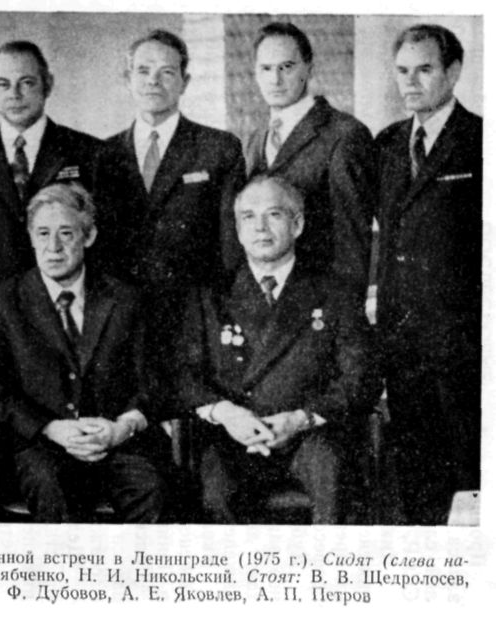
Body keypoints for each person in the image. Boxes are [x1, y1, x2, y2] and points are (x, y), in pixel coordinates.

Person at [176, 176, 378, 524]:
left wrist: (300, 419)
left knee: (333, 482)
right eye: (249, 217)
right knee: (213, 495)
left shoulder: (334, 292)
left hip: (309, 435)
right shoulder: (211, 294)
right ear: (238, 230)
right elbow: (184, 375)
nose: (261, 228)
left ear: (297, 224)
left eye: (274, 215)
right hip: (235, 438)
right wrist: (226, 413)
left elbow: (361, 378)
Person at [0, 183, 167, 523]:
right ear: (30, 237)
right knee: (50, 486)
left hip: (117, 442)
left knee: (152, 488)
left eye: (66, 233)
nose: (53, 247)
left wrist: (122, 427)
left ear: (89, 236)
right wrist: (50, 428)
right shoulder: (2, 304)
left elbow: (151, 382)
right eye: (43, 233)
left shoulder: (126, 300)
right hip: (44, 447)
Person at [375, 24, 481, 525]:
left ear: (453, 72)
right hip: (402, 343)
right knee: (417, 483)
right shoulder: (387, 144)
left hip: (464, 344)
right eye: (402, 71)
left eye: (424, 70)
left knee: (469, 480)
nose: (411, 82)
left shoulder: (480, 140)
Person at [93, 29, 245, 355]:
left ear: (184, 82)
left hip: (195, 320)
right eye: (143, 71)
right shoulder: (102, 155)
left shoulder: (218, 149)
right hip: (122, 321)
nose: (153, 81)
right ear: (127, 79)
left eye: (166, 72)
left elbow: (231, 248)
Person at [243, 22, 377, 291]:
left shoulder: (344, 134)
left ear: (309, 69)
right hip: (267, 299)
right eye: (266, 69)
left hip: (319, 303)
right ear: (255, 73)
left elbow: (352, 245)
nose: (275, 79)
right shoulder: (256, 139)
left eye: (287, 67)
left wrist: (341, 312)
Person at [0, 40, 102, 295]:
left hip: (68, 300)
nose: (15, 94)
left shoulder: (90, 152)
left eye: (26, 83)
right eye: (3, 84)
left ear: (47, 84)